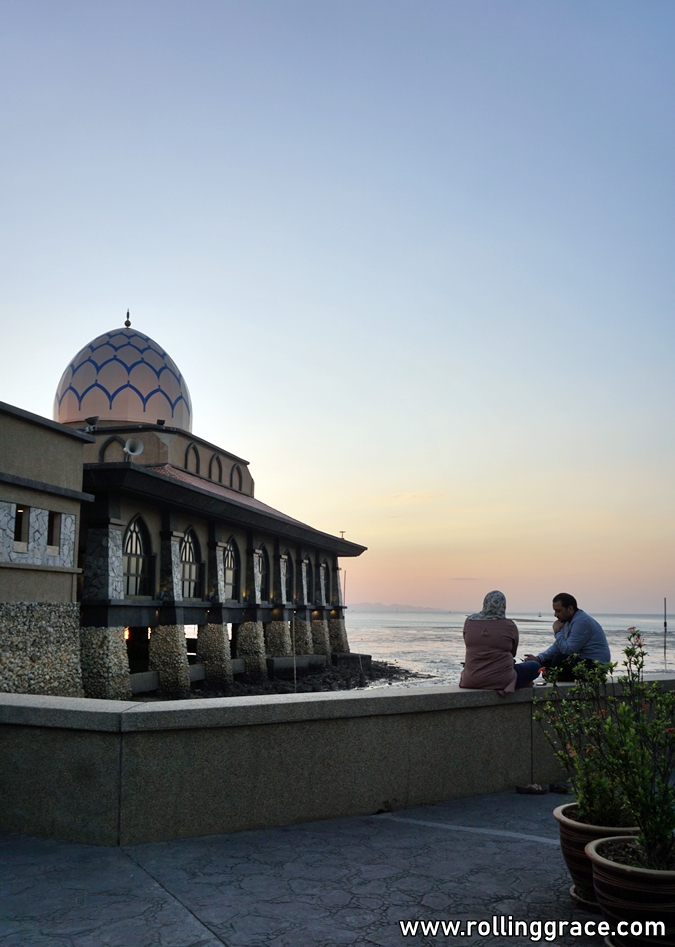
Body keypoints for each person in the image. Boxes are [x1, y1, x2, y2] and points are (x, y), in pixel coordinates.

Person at [459, 590, 541, 695]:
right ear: (503, 606)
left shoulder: (469, 622)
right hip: (502, 680)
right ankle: (519, 682)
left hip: (471, 679)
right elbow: (513, 653)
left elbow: (468, 644)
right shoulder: (509, 626)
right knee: (534, 666)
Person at [524, 593, 610, 681]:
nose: (555, 615)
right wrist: (538, 658)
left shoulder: (581, 622)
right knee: (545, 663)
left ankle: (559, 676)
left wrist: (557, 631)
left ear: (570, 609)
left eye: (558, 611)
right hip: (582, 661)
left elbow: (568, 650)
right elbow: (558, 646)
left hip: (596, 667)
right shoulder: (568, 621)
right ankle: (557, 676)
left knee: (559, 660)